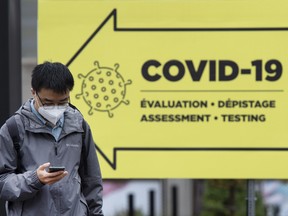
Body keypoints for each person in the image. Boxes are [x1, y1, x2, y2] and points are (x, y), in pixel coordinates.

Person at [0, 61, 104, 216]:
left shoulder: (79, 125)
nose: (56, 108)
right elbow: (2, 182)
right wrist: (35, 179)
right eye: (48, 103)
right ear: (33, 92)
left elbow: (92, 181)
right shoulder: (13, 128)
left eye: (63, 102)